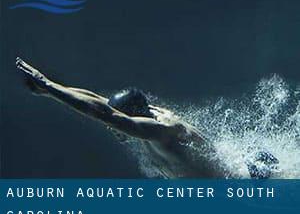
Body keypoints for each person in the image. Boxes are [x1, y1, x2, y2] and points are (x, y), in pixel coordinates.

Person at [15, 57, 277, 178]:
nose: (111, 128)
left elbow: (105, 114)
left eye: (115, 123)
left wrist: (48, 86)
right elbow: (99, 103)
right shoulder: (146, 116)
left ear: (132, 117)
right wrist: (51, 90)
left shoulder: (161, 131)